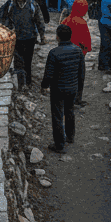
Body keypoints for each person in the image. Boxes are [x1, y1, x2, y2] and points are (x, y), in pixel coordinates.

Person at [41, 24, 86, 152]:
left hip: (58, 90)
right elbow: (82, 73)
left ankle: (59, 144)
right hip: (72, 88)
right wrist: (79, 90)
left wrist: (44, 86)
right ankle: (70, 136)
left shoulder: (53, 53)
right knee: (70, 111)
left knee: (57, 116)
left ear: (57, 37)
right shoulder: (78, 51)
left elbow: (48, 75)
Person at [0, 0, 45, 88]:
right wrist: (8, 28)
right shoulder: (9, 5)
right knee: (18, 61)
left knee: (28, 61)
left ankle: (27, 82)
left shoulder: (32, 5)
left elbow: (39, 21)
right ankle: (21, 83)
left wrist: (42, 36)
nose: (19, 0)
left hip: (30, 38)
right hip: (17, 38)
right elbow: (2, 17)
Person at [60, 0, 92, 103]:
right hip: (78, 56)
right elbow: (86, 42)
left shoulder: (65, 20)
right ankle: (77, 99)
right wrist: (86, 50)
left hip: (65, 54)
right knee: (79, 77)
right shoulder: (82, 23)